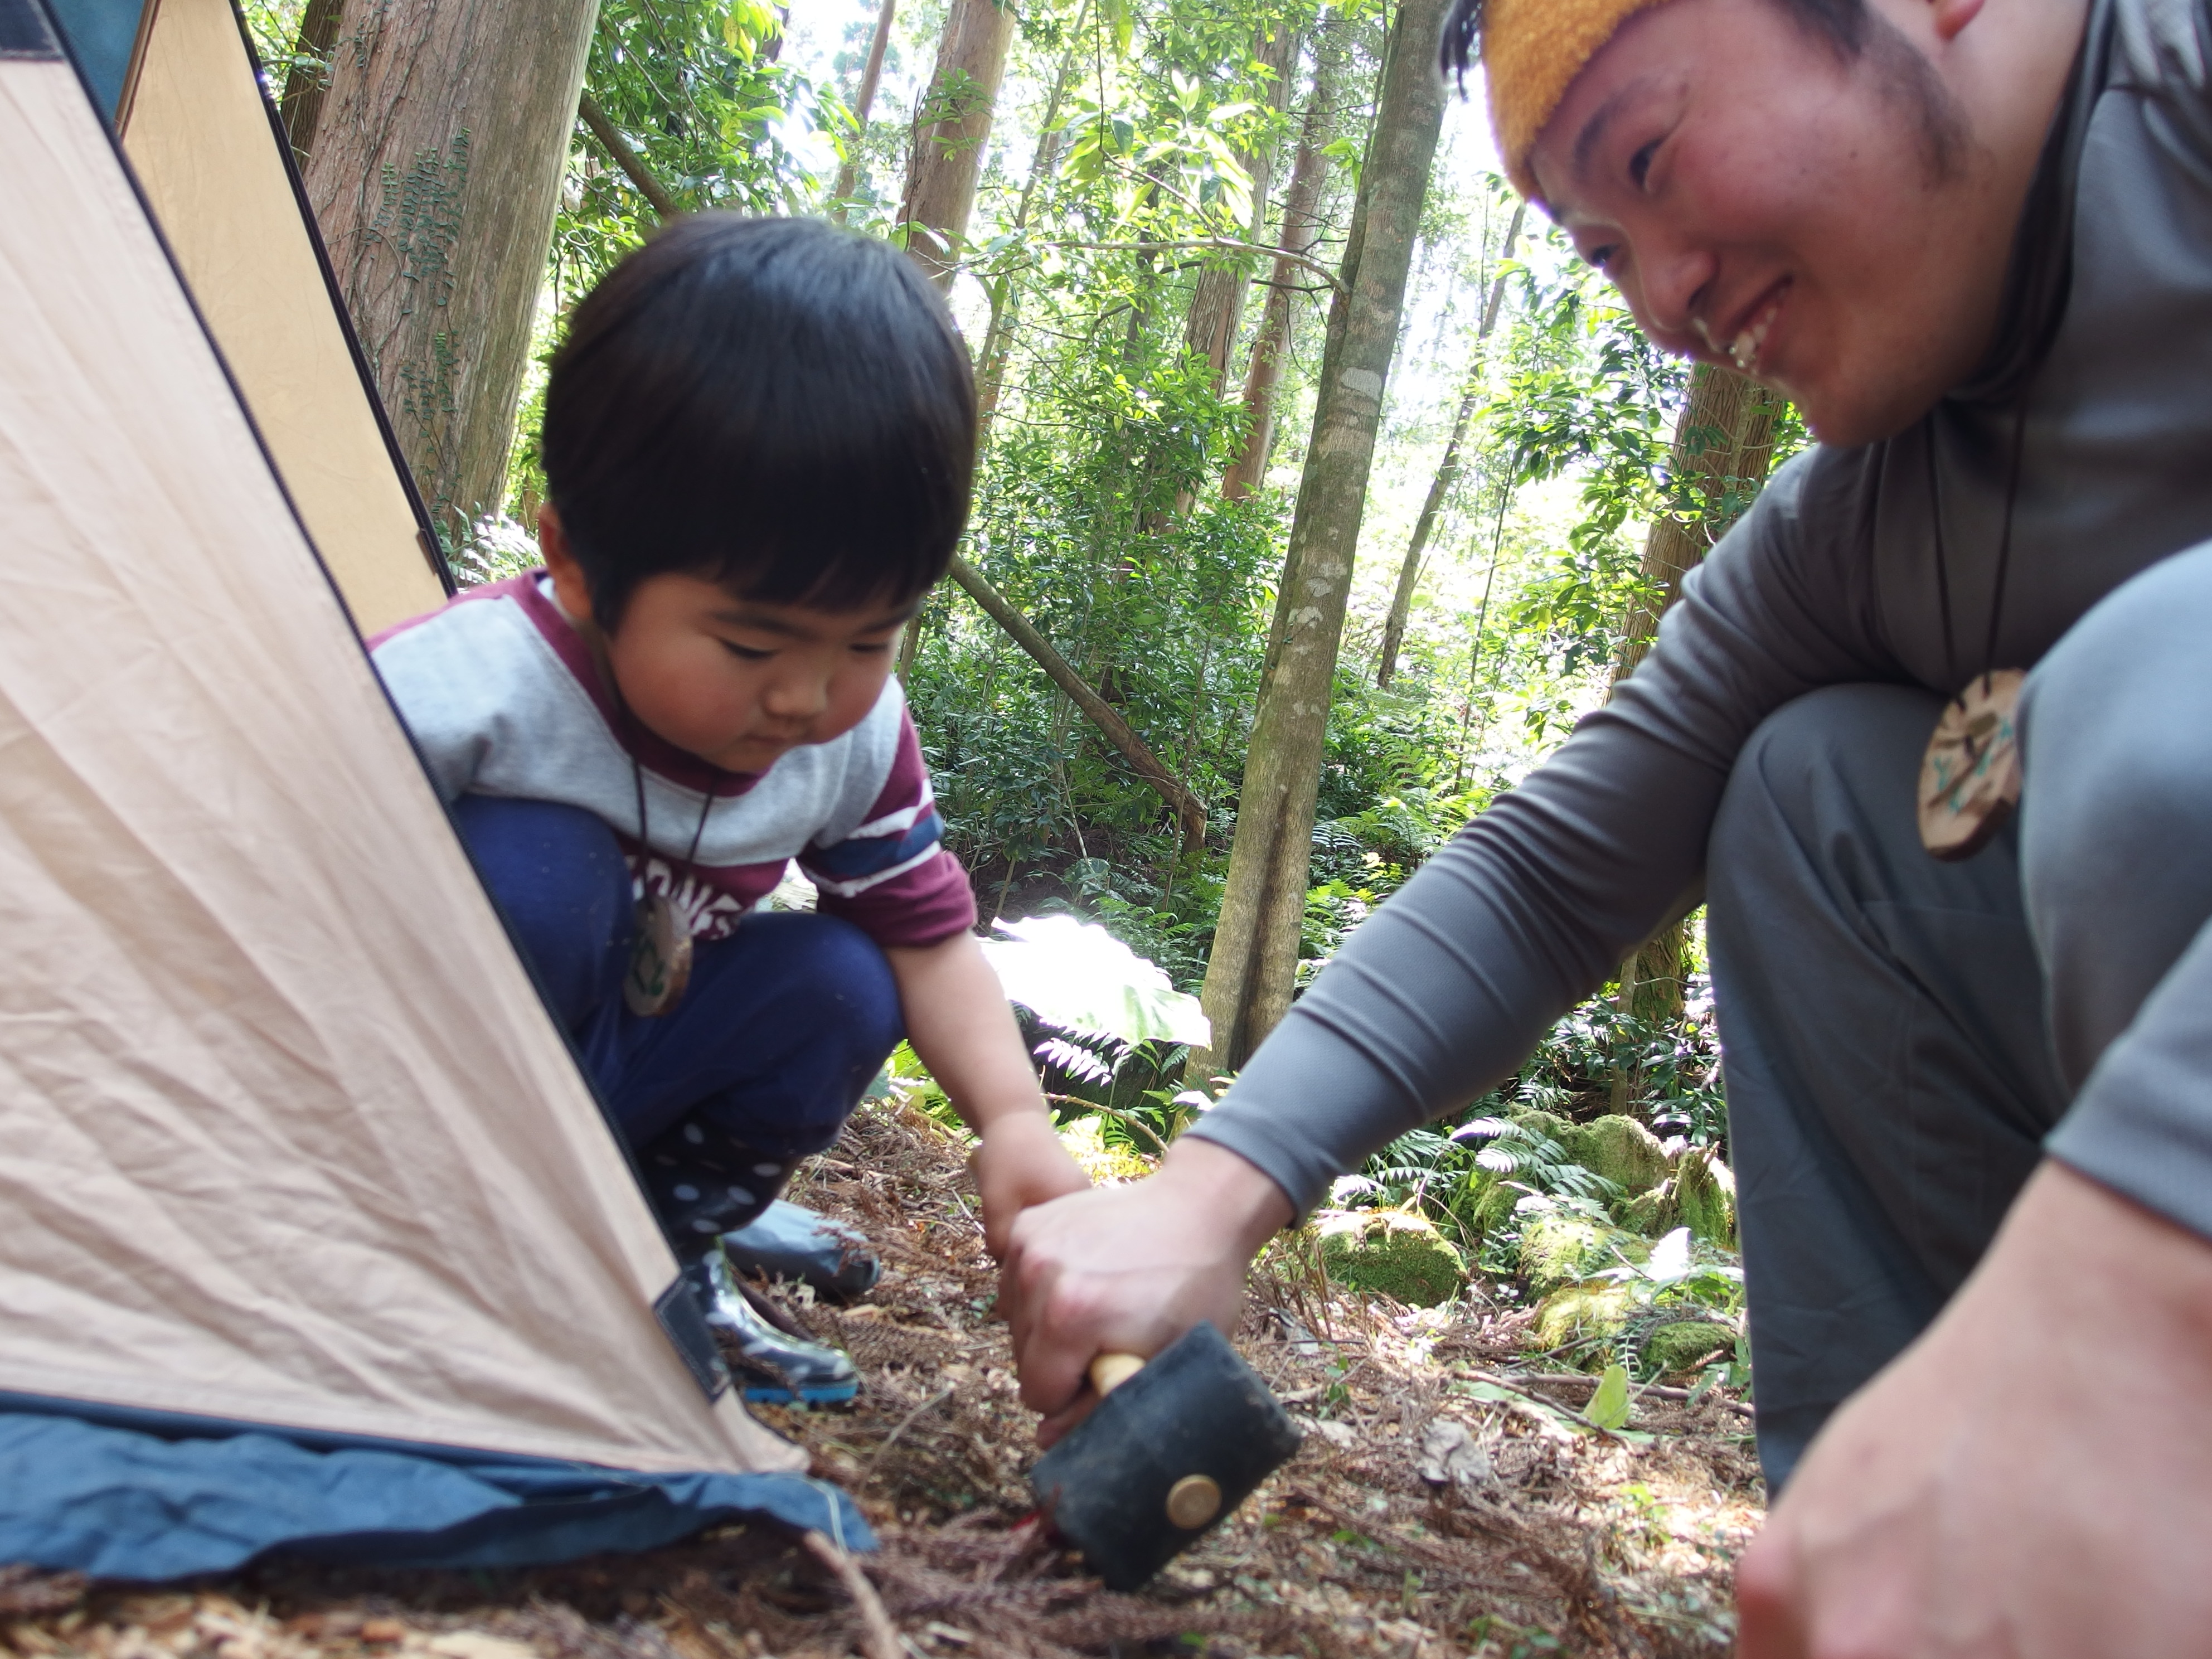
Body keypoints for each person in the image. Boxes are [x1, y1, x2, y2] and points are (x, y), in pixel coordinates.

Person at [998, 0, 2212, 1646]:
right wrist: (1208, 1192)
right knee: (1805, 799)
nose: (1661, 308)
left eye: (1647, 157)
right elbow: (1550, 877)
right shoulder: (1862, 528)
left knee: (2159, 709)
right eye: (1603, 253)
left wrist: (2124, 1295)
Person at [373, 215, 1088, 1404]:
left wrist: (1014, 1119)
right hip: (436, 1088)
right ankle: (452, 1236)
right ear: (577, 566)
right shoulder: (467, 690)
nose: (806, 697)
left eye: (868, 640)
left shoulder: (854, 736)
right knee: (540, 872)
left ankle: (662, 1247)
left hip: (630, 1075)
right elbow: (273, 838)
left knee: (844, 979)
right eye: (753, 645)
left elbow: (927, 939)